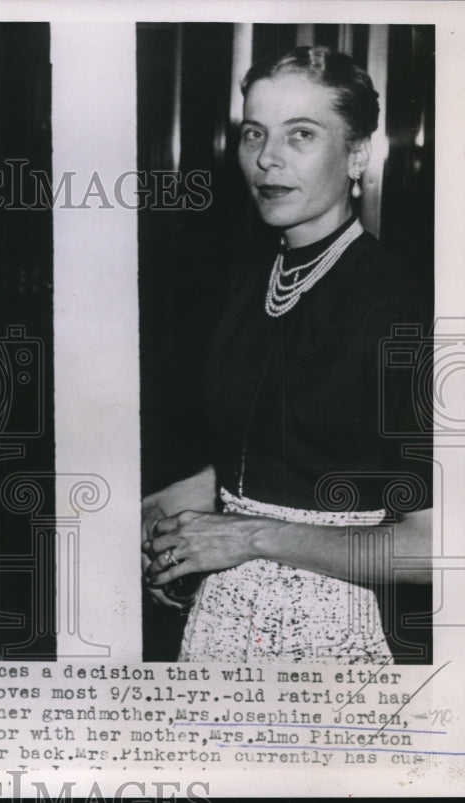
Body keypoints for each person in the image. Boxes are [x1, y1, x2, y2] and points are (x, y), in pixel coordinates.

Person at [141, 46, 432, 663]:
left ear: (357, 155)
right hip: (221, 620)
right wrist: (172, 516)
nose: (267, 159)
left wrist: (246, 536)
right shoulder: (245, 283)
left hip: (346, 635)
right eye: (255, 134)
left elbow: (434, 547)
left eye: (301, 135)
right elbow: (285, 450)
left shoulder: (407, 302)